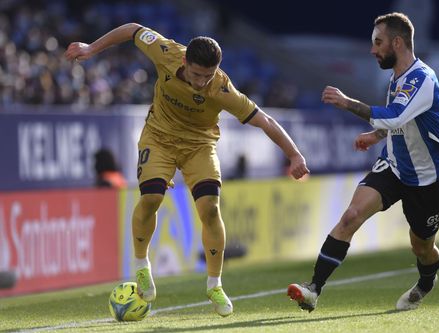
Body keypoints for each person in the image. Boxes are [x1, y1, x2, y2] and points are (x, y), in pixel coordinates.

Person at [64, 23, 309, 317]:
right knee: (151, 199)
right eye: (196, 75)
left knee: (210, 209)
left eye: (208, 76)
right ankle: (142, 266)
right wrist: (91, 48)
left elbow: (264, 120)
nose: (202, 82)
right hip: (159, 138)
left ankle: (214, 284)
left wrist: (293, 154)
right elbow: (132, 30)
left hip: (199, 147)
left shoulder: (222, 88)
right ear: (184, 62)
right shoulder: (165, 51)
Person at [287, 12, 439, 312]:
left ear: (398, 43)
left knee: (422, 247)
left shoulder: (422, 79)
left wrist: (347, 102)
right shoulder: (397, 78)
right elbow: (399, 121)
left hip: (427, 179)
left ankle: (426, 281)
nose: (372, 49)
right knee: (351, 216)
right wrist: (376, 136)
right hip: (393, 165)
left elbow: (398, 116)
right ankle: (313, 289)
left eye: (378, 42)